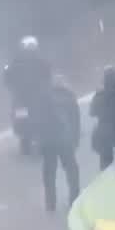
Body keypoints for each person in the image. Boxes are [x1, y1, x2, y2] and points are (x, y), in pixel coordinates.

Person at [35, 76, 81, 213]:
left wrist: (39, 140)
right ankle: (74, 199)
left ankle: (50, 202)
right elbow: (75, 120)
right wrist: (75, 138)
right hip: (65, 140)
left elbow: (38, 121)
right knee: (72, 170)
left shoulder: (43, 97)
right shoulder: (69, 97)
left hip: (48, 141)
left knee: (49, 172)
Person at [4, 36, 53, 154]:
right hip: (36, 97)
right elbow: (48, 74)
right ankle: (36, 138)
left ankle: (25, 140)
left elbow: (7, 78)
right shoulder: (39, 59)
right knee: (43, 113)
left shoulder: (16, 61)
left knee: (21, 115)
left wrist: (12, 86)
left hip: (22, 97)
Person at [90, 66, 115, 170]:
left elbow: (92, 112)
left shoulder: (99, 95)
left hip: (104, 131)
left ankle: (108, 183)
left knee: (106, 163)